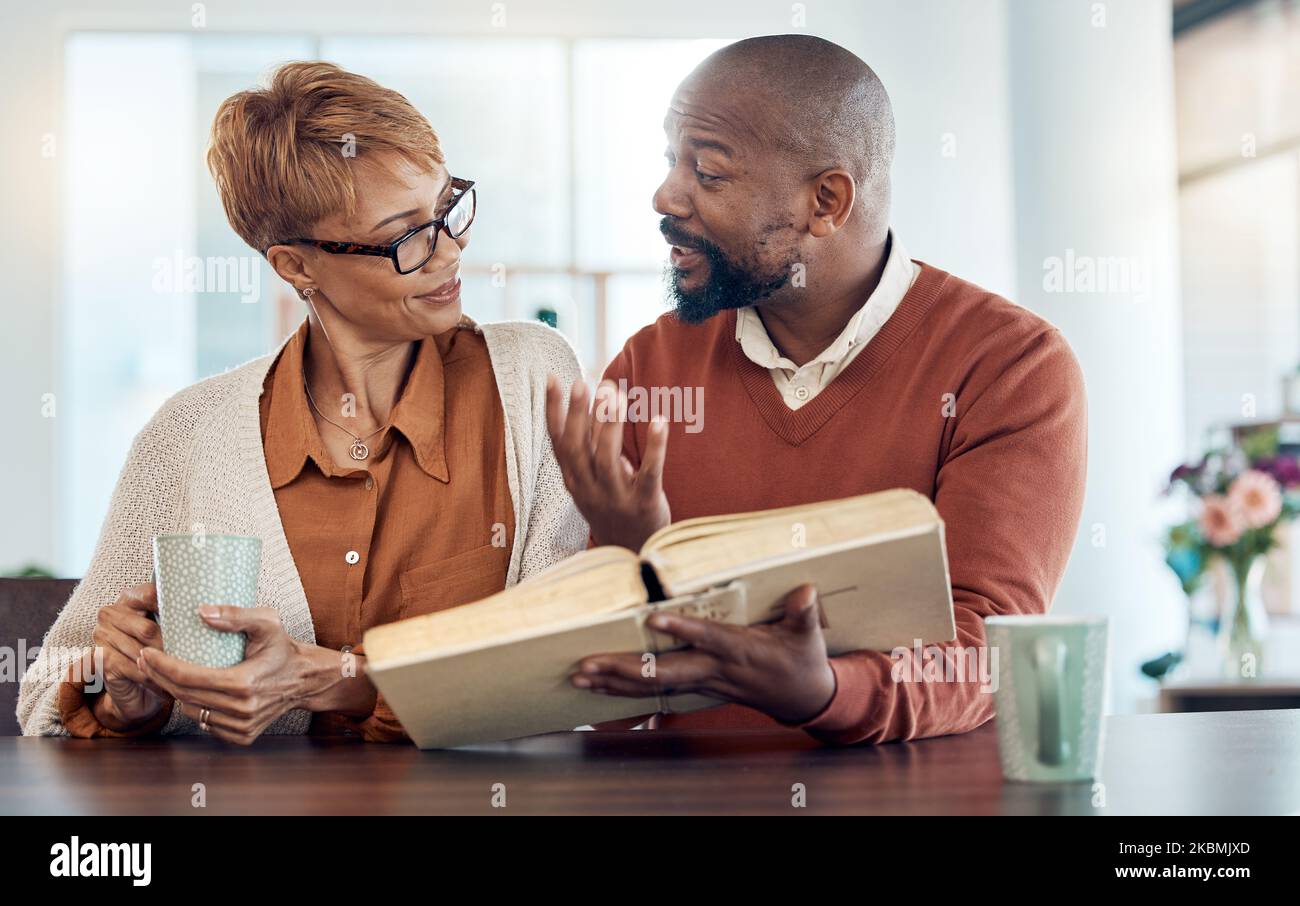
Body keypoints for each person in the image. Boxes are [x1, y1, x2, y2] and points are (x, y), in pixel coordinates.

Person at [18, 62, 587, 744]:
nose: (450, 250)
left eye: (447, 207)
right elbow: (48, 693)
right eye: (406, 237)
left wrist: (337, 677)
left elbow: (563, 665)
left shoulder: (531, 377)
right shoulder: (189, 435)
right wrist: (124, 701)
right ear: (295, 266)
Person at [546, 35, 1088, 744]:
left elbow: (988, 648)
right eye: (670, 160)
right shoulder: (652, 363)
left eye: (707, 172)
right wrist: (631, 549)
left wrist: (824, 691)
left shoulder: (1009, 365)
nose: (666, 196)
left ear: (826, 201)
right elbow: (594, 669)